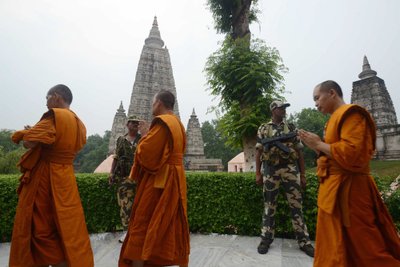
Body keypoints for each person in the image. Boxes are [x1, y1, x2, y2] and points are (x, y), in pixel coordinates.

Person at [298, 80, 400, 267]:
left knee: (366, 246)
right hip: (333, 190)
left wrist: (319, 144)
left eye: (317, 98)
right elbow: (333, 154)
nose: (316, 104)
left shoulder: (352, 114)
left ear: (332, 93)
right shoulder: (332, 120)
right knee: (336, 244)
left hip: (351, 192)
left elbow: (353, 155)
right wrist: (316, 146)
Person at [9, 84, 94, 267]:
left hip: (46, 177)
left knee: (40, 227)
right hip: (66, 178)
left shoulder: (55, 116)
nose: (46, 103)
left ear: (56, 97)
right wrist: (34, 131)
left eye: (47, 98)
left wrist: (27, 133)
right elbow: (59, 141)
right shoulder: (80, 124)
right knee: (65, 227)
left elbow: (30, 142)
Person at [118, 90, 190, 267]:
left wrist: (144, 135)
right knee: (167, 223)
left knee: (142, 223)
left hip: (160, 181)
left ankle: (140, 260)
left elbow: (147, 156)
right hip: (175, 178)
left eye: (153, 102)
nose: (151, 106)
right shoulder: (178, 124)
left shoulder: (163, 123)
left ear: (159, 103)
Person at [255, 100, 314, 257]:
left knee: (296, 207)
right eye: (281, 108)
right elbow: (258, 152)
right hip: (270, 170)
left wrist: (303, 174)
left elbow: (299, 152)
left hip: (290, 169)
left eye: (285, 108)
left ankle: (304, 242)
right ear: (273, 110)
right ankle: (266, 239)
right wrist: (258, 173)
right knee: (269, 206)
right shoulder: (264, 128)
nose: (284, 110)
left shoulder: (292, 128)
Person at [109, 115, 142, 243]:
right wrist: (112, 174)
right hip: (124, 178)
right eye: (133, 123)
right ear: (127, 124)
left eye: (137, 123)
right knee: (125, 205)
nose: (135, 125)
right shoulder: (121, 140)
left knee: (140, 205)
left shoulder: (143, 139)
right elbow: (116, 157)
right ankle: (126, 232)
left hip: (140, 177)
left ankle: (138, 232)